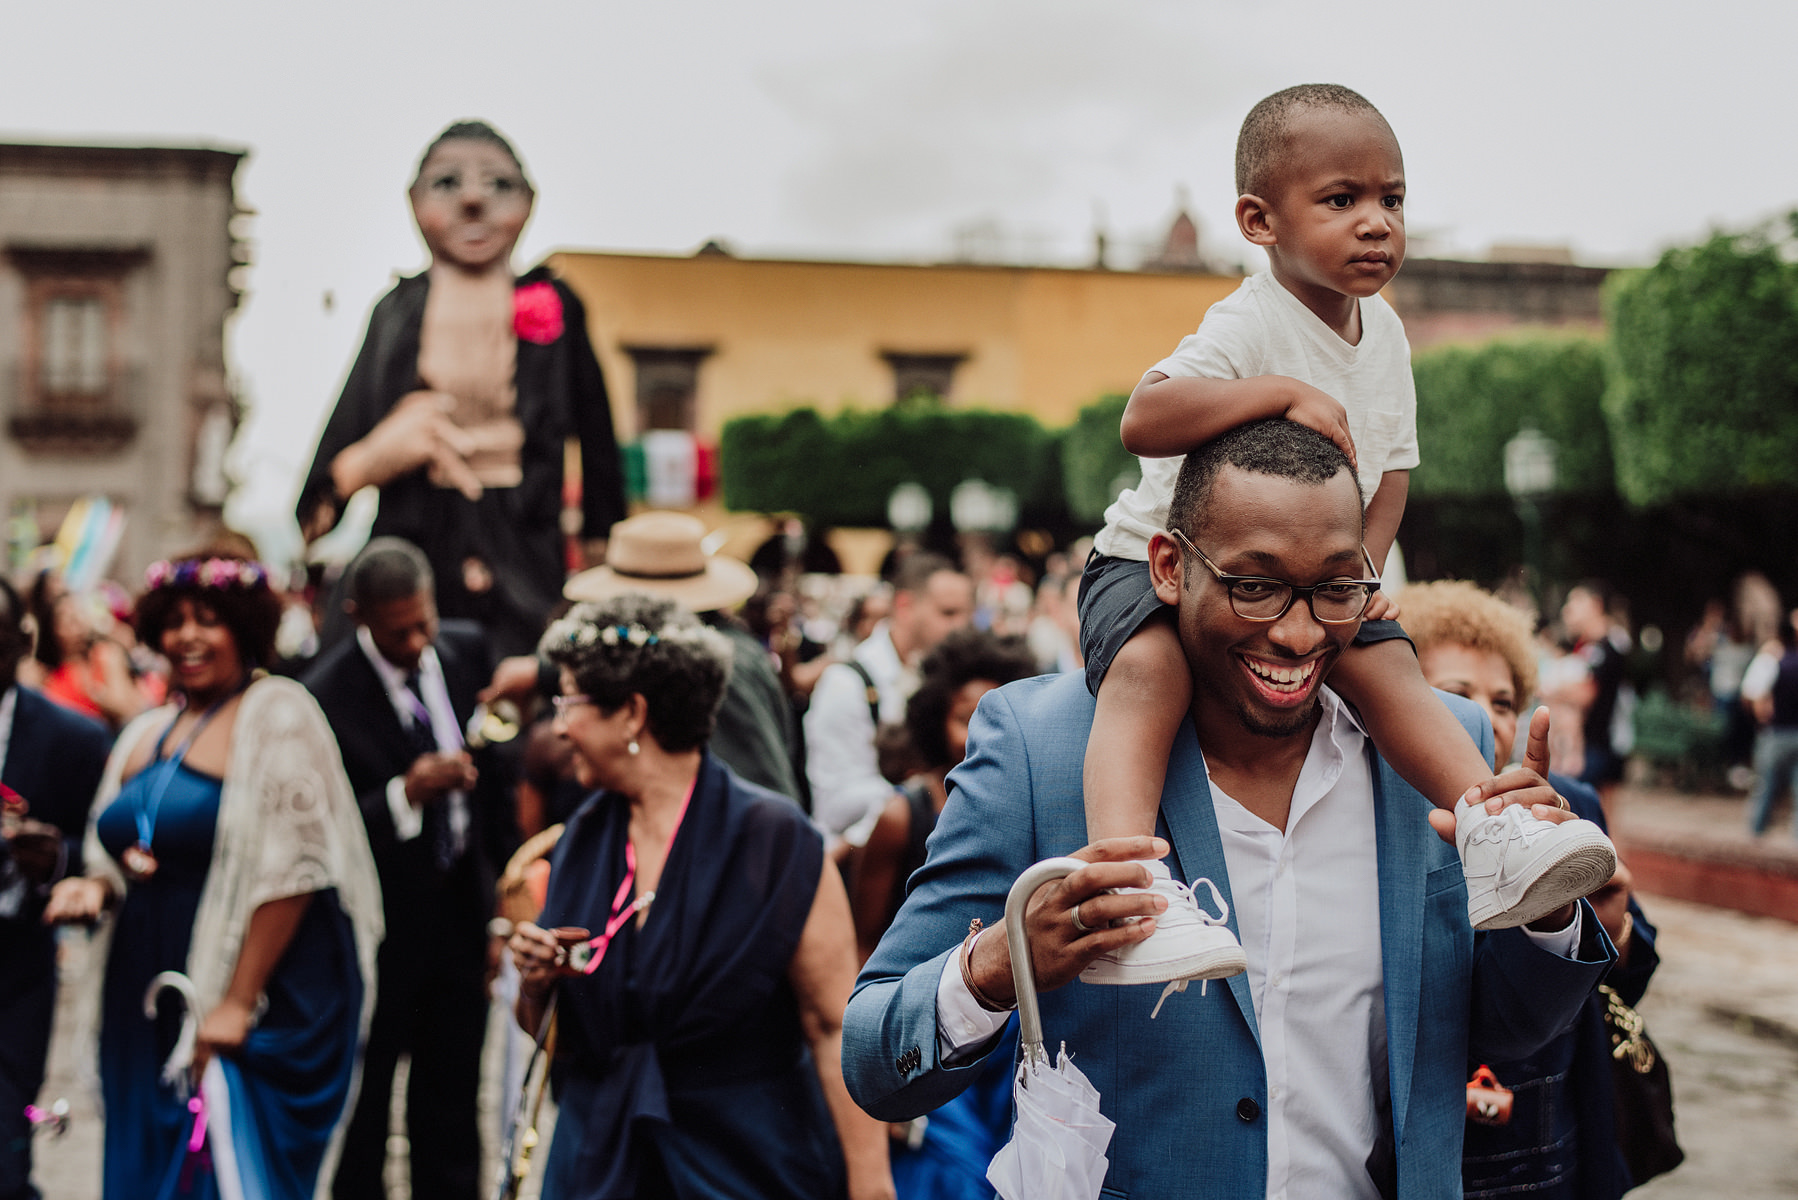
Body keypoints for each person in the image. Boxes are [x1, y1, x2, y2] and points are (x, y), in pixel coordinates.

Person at [844, 420, 1615, 1199]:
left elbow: (1505, 1032)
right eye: (1254, 586)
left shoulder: (1447, 749)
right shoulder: (1037, 751)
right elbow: (874, 1059)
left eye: (1335, 588)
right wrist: (999, 971)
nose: (1297, 631)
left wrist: (1545, 912)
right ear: (1170, 566)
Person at [1077, 84, 1612, 987]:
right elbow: (1145, 416)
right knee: (1149, 669)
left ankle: (1487, 827)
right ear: (1259, 220)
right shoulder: (1249, 321)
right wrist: (1275, 395)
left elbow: (1391, 473)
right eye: (1342, 200)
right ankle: (1131, 888)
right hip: (1160, 565)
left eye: (1391, 200)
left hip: (1313, 571)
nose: (1377, 224)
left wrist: (1354, 581)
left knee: (1390, 667)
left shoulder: (1388, 335)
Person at [508, 596, 893, 1199]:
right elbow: (552, 1032)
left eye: (570, 702)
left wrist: (871, 1184)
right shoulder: (584, 835)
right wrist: (536, 981)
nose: (558, 726)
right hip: (600, 1155)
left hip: (741, 1156)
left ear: (632, 713)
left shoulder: (775, 839)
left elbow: (831, 1026)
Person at [44, 551, 382, 1200]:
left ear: (245, 628)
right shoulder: (149, 728)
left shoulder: (277, 712)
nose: (187, 637)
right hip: (139, 996)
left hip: (228, 993)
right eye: (173, 622)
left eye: (208, 620)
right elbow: (112, 851)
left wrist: (234, 1001)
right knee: (139, 1168)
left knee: (212, 1172)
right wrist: (95, 887)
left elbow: (299, 867)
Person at [296, 120, 627, 659]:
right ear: (413, 201)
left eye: (499, 185)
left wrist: (599, 546)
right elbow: (334, 464)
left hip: (523, 545)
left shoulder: (555, 303)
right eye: (447, 184)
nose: (474, 201)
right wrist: (369, 462)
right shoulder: (396, 311)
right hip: (416, 532)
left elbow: (598, 435)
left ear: (530, 201)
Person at [1400, 579, 1659, 1198]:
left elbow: (1635, 967)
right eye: (1457, 693)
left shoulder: (1571, 806)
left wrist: (1612, 924)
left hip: (1555, 1152)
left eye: (1504, 699)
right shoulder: (1388, 828)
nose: (1486, 715)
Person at [300, 538, 517, 1200]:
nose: (420, 641)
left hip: (459, 916)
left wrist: (499, 910)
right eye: (401, 631)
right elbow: (322, 828)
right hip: (378, 932)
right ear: (360, 614)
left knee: (452, 1101)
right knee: (366, 1109)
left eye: (426, 621)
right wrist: (405, 793)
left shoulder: (463, 650)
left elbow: (499, 794)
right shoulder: (323, 695)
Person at [848, 628, 1038, 1200]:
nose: (984, 731)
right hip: (934, 1021)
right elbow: (863, 945)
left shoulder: (1036, 810)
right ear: (936, 721)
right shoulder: (902, 817)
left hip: (1013, 1038)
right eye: (965, 715)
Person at [0, 576, 112, 1200]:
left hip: (13, 977)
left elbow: (97, 852)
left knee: (6, 1163)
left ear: (20, 643)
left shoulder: (73, 739)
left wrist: (55, 858)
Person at [805, 554, 973, 852]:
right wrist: (917, 794)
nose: (962, 627)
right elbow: (835, 804)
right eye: (948, 613)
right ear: (905, 607)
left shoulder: (949, 680)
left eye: (966, 614)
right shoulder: (847, 682)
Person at [1741, 607, 1798, 837]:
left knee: (1764, 789)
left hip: (1776, 733)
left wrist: (1763, 714)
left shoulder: (1773, 658)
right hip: (1782, 731)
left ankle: (1756, 835)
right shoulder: (1775, 658)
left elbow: (1752, 693)